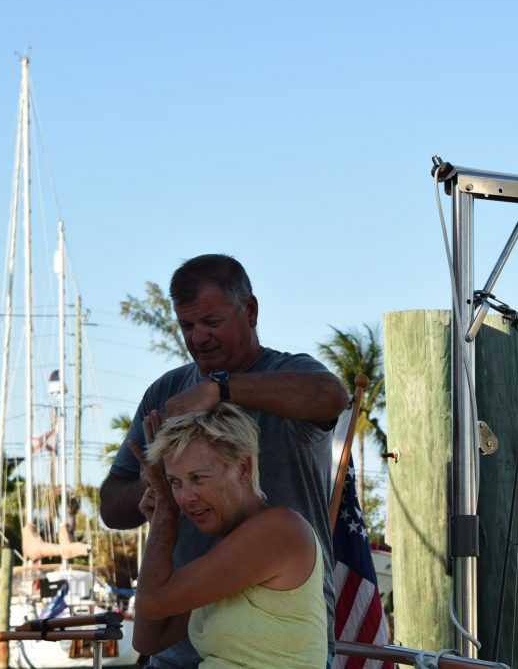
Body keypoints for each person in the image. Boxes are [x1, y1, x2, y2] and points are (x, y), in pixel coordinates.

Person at [101, 253, 348, 668]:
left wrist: (220, 390)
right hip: (182, 634)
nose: (198, 338)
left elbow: (332, 396)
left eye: (211, 323)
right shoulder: (166, 390)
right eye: (186, 326)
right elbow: (111, 506)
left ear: (249, 311)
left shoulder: (290, 373)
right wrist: (163, 490)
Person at [130, 404, 327, 667]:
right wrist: (160, 519)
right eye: (174, 482)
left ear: (244, 468)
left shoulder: (278, 531)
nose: (185, 497)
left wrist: (165, 507)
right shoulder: (228, 550)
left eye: (198, 478)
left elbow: (151, 603)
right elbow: (148, 639)